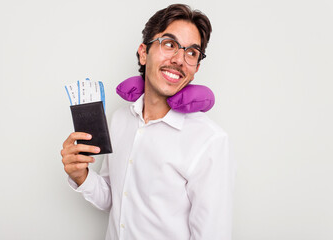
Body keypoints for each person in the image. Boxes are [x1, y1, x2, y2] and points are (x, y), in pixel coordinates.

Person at [61, 4, 235, 240]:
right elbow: (115, 199)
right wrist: (81, 175)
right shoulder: (120, 119)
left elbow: (212, 234)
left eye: (191, 53)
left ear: (196, 68)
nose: (179, 59)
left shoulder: (209, 140)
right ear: (144, 53)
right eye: (170, 44)